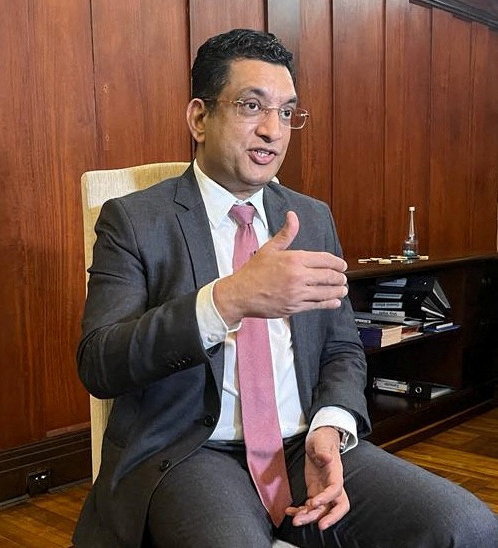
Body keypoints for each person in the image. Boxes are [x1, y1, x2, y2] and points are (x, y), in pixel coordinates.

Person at [73, 28, 498, 547]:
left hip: (304, 446)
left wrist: (331, 425)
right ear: (200, 118)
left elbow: (343, 347)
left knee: (467, 528)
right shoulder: (136, 219)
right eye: (252, 105)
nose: (274, 130)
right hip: (193, 452)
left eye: (286, 112)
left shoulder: (311, 218)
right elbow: (99, 361)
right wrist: (229, 299)